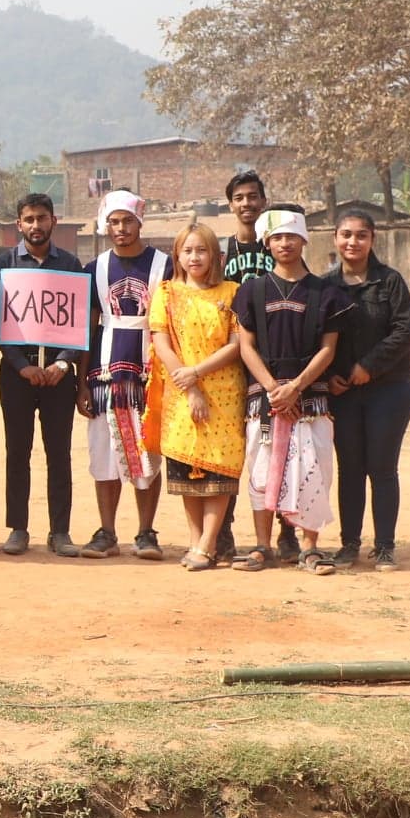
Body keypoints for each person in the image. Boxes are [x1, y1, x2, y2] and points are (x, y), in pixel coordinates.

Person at [231, 208, 352, 576]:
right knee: (262, 469)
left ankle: (311, 548)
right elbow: (245, 345)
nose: (285, 243)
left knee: (314, 469)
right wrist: (273, 388)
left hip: (311, 396)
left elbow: (328, 349)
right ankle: (263, 546)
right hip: (264, 396)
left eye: (291, 237)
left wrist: (296, 387)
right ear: (267, 243)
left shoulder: (326, 292)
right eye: (277, 237)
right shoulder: (251, 291)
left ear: (304, 241)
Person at [144, 223, 245, 571]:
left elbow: (236, 344)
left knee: (220, 467)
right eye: (187, 251)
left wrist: (198, 374)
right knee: (186, 467)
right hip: (180, 391)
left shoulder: (233, 292)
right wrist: (189, 385)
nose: (194, 257)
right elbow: (160, 341)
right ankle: (194, 539)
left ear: (216, 255)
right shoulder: (166, 292)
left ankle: (208, 542)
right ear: (178, 256)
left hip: (224, 391)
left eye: (201, 250)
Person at [76, 191, 168, 560]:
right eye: (113, 222)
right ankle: (107, 532)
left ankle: (146, 533)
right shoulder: (94, 268)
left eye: (127, 221)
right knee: (105, 453)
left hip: (150, 372)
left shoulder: (166, 265)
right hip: (105, 375)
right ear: (105, 224)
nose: (121, 228)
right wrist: (80, 382)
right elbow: (87, 329)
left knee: (148, 454)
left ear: (140, 221)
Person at [0, 194, 85, 556]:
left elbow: (78, 322)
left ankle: (60, 531)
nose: (35, 225)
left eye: (41, 218)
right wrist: (22, 365)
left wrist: (62, 364)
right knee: (17, 451)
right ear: (18, 224)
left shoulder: (72, 265)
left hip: (59, 377)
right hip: (17, 373)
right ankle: (18, 528)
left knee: (59, 453)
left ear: (53, 221)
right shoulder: (4, 265)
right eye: (28, 219)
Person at [324, 209, 410, 571]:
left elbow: (404, 332)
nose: (353, 241)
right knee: (350, 469)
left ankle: (385, 546)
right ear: (335, 238)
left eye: (361, 235)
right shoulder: (325, 285)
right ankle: (349, 545)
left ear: (372, 239)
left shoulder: (390, 282)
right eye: (346, 234)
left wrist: (368, 367)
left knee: (382, 468)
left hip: (389, 391)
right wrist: (329, 374)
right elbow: (318, 337)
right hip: (343, 393)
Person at [217, 170, 276, 561]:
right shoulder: (222, 251)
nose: (247, 203)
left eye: (253, 196)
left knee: (275, 447)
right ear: (230, 204)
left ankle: (284, 530)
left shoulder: (277, 245)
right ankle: (223, 532)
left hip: (271, 358)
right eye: (239, 197)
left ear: (263, 201)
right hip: (230, 361)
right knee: (227, 449)